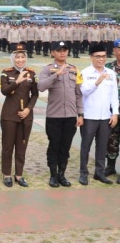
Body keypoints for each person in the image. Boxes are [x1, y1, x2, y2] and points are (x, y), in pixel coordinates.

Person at [38, 41, 83, 188]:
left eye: (65, 50)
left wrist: (80, 114)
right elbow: (41, 87)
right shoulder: (47, 69)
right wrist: (56, 75)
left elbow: (78, 94)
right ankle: (53, 175)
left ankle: (62, 175)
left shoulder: (74, 70)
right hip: (54, 116)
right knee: (54, 146)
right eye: (59, 50)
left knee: (65, 147)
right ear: (53, 53)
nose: (62, 53)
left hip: (70, 116)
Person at [78, 44, 118, 185]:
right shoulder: (85, 73)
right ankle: (83, 173)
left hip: (105, 117)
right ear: (91, 57)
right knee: (85, 146)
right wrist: (97, 82)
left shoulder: (111, 73)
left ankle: (99, 172)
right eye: (98, 56)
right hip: (89, 116)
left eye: (103, 56)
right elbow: (83, 92)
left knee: (102, 147)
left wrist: (115, 113)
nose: (101, 59)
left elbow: (114, 96)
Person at [0, 44, 39, 187]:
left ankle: (19, 174)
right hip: (9, 115)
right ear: (13, 58)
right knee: (8, 146)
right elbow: (4, 91)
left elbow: (35, 94)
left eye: (23, 57)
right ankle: (7, 174)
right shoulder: (6, 73)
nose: (20, 60)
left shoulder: (32, 74)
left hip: (25, 116)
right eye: (17, 57)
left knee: (22, 146)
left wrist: (29, 109)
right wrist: (17, 81)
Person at [105, 38, 120, 182]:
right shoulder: (108, 68)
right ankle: (110, 166)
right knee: (111, 140)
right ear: (114, 50)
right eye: (119, 48)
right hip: (112, 111)